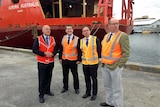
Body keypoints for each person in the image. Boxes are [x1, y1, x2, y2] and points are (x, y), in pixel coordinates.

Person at [100, 17, 130, 107]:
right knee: (107, 86)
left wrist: (119, 65)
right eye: (113, 24)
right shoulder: (106, 36)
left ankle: (118, 105)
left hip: (115, 66)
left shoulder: (123, 36)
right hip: (105, 65)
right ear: (108, 25)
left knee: (117, 88)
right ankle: (109, 102)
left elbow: (126, 52)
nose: (116, 25)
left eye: (117, 23)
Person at [32, 25, 58, 103]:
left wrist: (53, 54)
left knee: (49, 77)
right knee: (42, 79)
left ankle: (47, 90)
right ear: (42, 31)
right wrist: (44, 53)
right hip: (42, 63)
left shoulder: (53, 39)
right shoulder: (38, 39)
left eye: (49, 29)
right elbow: (34, 50)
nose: (48, 30)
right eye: (46, 29)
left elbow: (56, 48)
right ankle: (41, 95)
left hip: (50, 62)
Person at [80, 26, 101, 101]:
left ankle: (94, 93)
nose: (86, 32)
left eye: (87, 30)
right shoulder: (81, 41)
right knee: (87, 79)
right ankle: (88, 92)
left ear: (89, 31)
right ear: (82, 33)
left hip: (93, 63)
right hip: (85, 63)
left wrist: (99, 59)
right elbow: (81, 52)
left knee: (94, 79)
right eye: (84, 31)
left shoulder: (95, 39)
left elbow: (99, 49)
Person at [59, 25, 81, 94]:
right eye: (67, 29)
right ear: (65, 30)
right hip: (64, 60)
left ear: (73, 30)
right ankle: (65, 87)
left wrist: (79, 59)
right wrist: (60, 58)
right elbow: (61, 49)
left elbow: (79, 50)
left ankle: (76, 88)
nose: (69, 30)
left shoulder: (77, 39)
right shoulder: (63, 38)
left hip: (73, 60)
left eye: (70, 29)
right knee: (65, 74)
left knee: (75, 75)